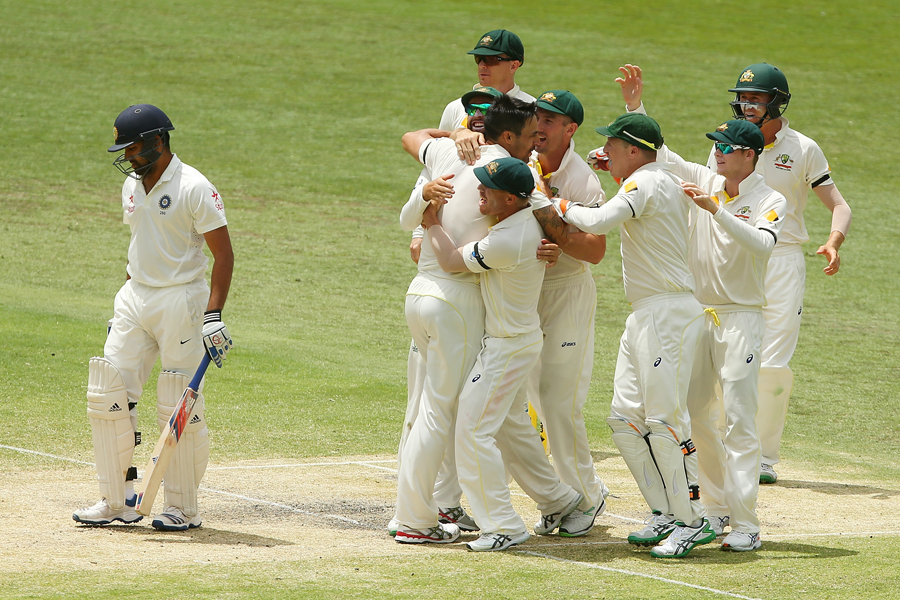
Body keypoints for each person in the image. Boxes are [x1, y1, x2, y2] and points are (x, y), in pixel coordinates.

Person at [554, 113, 715, 558]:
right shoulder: (649, 180)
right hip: (645, 313)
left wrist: (553, 203)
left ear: (634, 149)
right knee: (625, 419)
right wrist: (612, 170)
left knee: (665, 421)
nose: (605, 150)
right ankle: (665, 512)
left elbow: (599, 220)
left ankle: (693, 519)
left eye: (613, 144)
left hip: (669, 312)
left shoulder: (647, 180)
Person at [73, 104, 234, 531]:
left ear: (158, 142)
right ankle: (117, 500)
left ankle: (182, 508)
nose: (128, 157)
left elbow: (224, 255)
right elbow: (142, 244)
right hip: (135, 296)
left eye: (133, 148)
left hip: (181, 300)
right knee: (108, 392)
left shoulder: (194, 186)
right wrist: (127, 298)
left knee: (178, 398)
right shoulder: (131, 185)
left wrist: (213, 315)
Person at [423, 156, 582, 552]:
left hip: (507, 346)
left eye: (487, 188)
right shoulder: (520, 220)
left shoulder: (508, 239)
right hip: (513, 341)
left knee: (472, 430)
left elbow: (449, 261)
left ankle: (503, 525)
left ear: (511, 198)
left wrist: (429, 224)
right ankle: (558, 499)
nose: (478, 190)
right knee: (512, 430)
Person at [653, 118, 787, 551]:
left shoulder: (771, 198)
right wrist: (636, 104)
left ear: (749, 154)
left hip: (741, 318)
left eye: (726, 147)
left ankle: (747, 524)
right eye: (716, 146)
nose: (718, 153)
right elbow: (662, 155)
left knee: (739, 418)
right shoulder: (708, 179)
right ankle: (715, 506)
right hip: (699, 314)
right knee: (696, 413)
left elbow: (763, 244)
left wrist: (715, 210)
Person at [715, 64, 852, 484]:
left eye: (755, 98)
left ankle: (762, 458)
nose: (747, 104)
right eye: (743, 97)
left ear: (777, 102)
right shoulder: (727, 140)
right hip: (736, 254)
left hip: (783, 259)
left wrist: (834, 241)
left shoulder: (803, 148)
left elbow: (839, 205)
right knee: (724, 352)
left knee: (773, 361)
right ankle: (718, 444)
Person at [389, 87, 504, 539]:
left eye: (484, 110)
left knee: (426, 408)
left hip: (420, 295)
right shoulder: (501, 164)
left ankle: (412, 512)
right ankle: (416, 518)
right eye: (471, 110)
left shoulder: (442, 154)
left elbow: (408, 220)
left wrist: (424, 199)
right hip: (457, 300)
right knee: (439, 413)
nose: (476, 116)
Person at [525, 90, 609, 537]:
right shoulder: (523, 160)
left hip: (567, 293)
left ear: (569, 129)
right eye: (537, 116)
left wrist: (558, 238)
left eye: (549, 120)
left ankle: (587, 495)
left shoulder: (582, 180)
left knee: (560, 402)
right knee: (536, 401)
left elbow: (594, 251)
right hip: (525, 291)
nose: (539, 125)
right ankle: (561, 495)